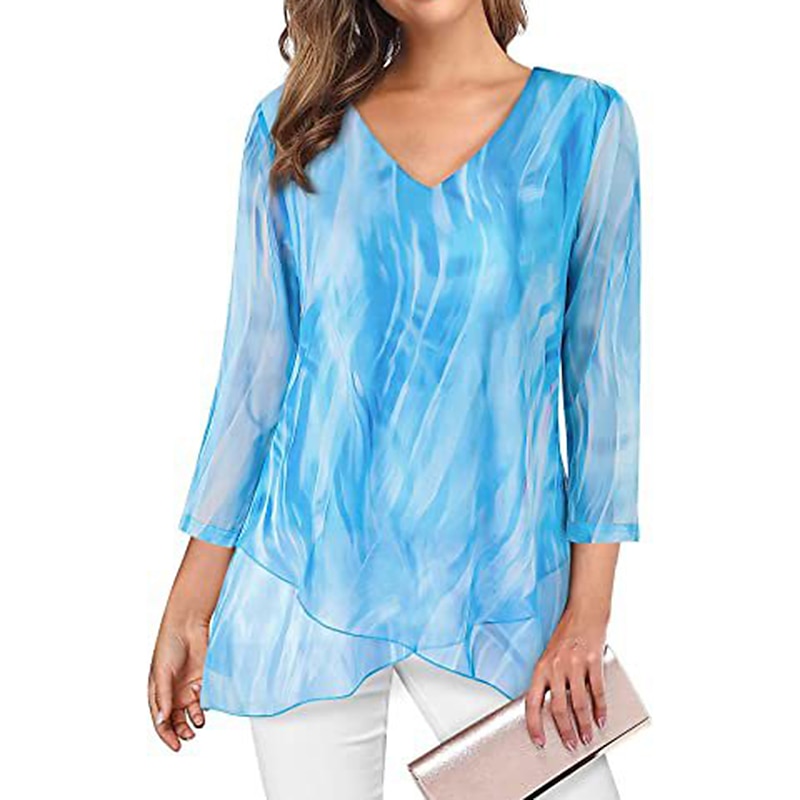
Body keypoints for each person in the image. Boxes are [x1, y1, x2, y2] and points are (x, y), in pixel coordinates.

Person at [148, 1, 641, 797]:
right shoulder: (294, 130)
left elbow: (602, 387)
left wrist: (588, 615)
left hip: (503, 597)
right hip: (309, 585)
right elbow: (254, 376)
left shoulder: (581, 126)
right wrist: (192, 599)